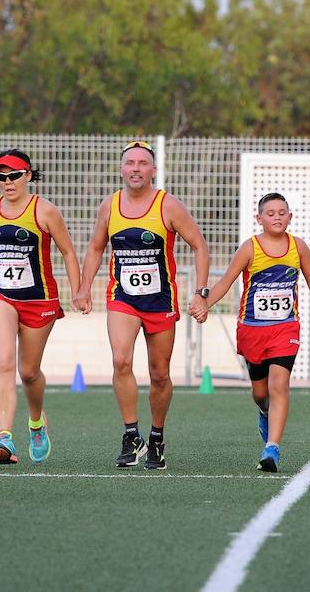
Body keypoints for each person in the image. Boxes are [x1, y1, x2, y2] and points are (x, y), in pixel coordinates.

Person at [72, 140, 209, 470]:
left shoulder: (168, 206)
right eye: (129, 163)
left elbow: (199, 246)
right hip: (123, 299)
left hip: (160, 300)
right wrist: (84, 287)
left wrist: (200, 292)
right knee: (121, 359)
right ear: (121, 169)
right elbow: (95, 248)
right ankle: (132, 435)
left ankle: (157, 438)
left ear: (152, 170)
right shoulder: (110, 206)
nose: (135, 168)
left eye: (142, 163)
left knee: (159, 374)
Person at [0, 148, 81, 466]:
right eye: (2, 177)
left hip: (38, 298)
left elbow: (68, 252)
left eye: (15, 175)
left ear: (28, 175)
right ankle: (4, 436)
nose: (8, 182)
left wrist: (79, 291)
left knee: (28, 372)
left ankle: (36, 423)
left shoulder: (45, 211)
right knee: (4, 362)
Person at [206, 192, 310, 472]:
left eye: (282, 212)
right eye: (270, 213)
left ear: (290, 217)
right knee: (261, 392)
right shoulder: (249, 248)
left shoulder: (298, 247)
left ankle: (272, 448)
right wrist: (204, 303)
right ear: (259, 218)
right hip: (252, 329)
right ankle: (264, 412)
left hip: (285, 328)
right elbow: (226, 282)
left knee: (279, 385)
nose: (277, 217)